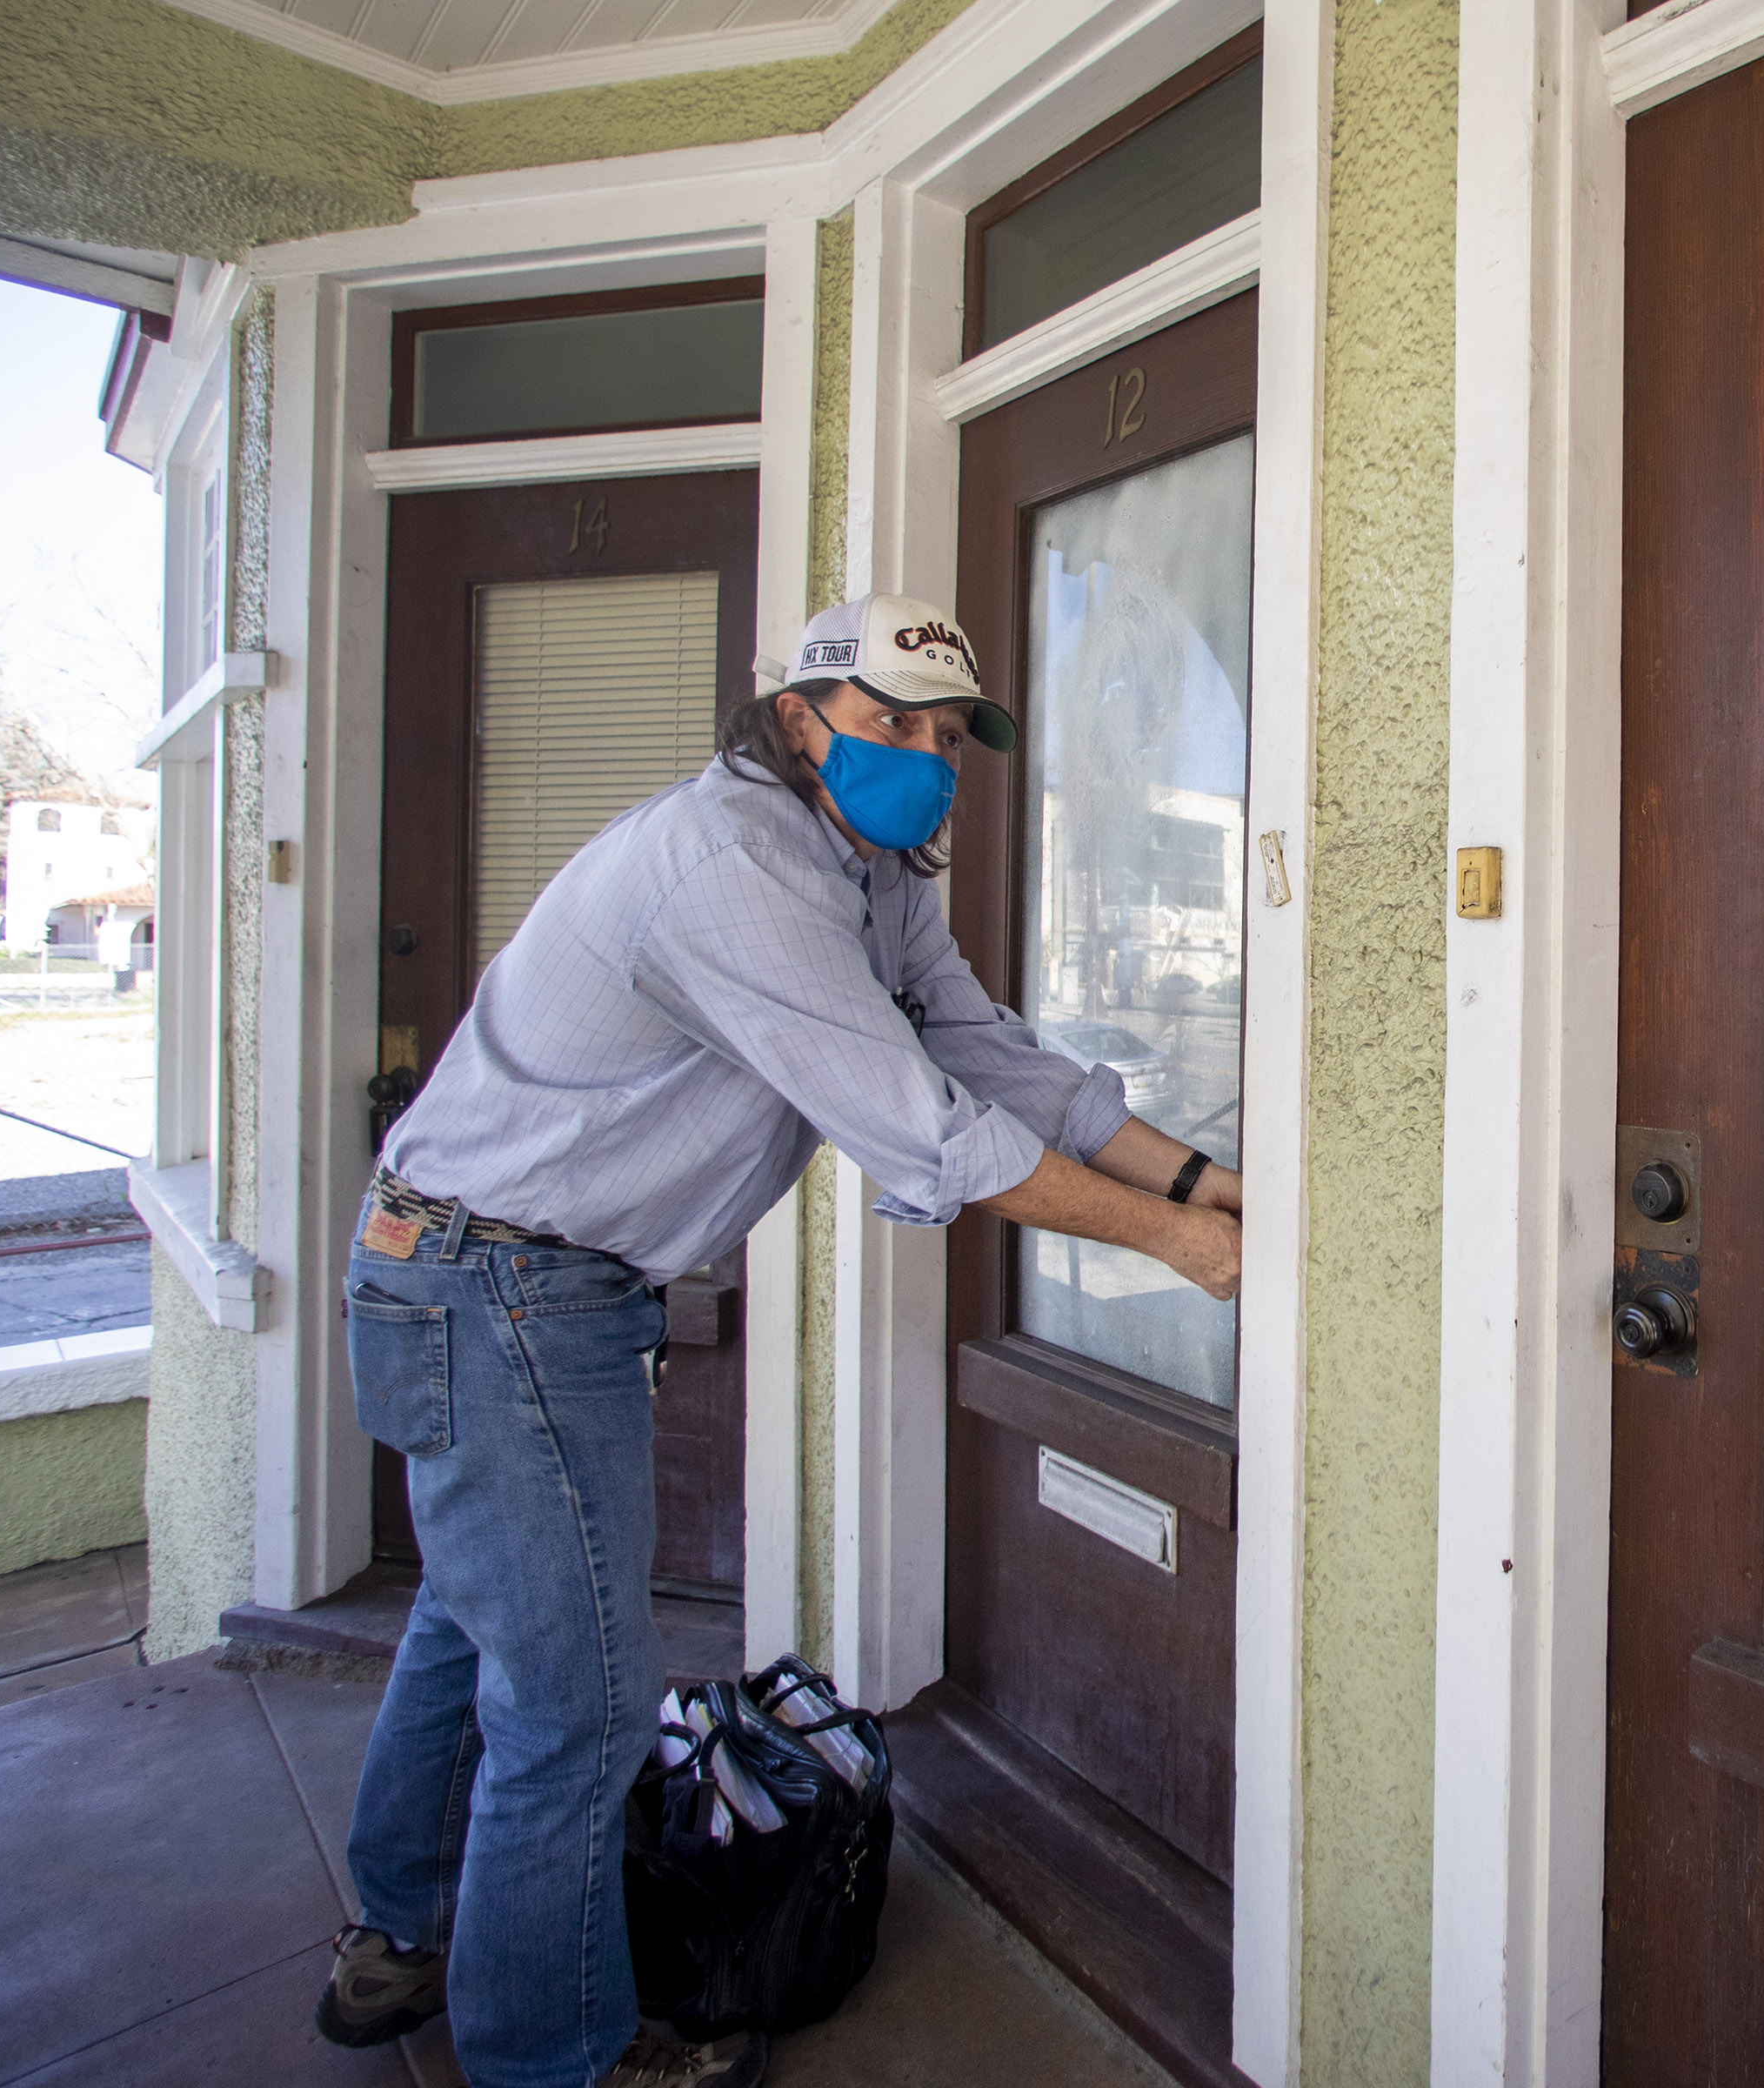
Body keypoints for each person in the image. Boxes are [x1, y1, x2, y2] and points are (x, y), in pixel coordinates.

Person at [311, 592, 1242, 2088]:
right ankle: (549, 2057)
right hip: (495, 1287)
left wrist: (1202, 1178)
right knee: (578, 1707)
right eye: (892, 723)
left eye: (949, 735)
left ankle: (402, 1937)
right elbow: (924, 1127)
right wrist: (1187, 1247)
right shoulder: (726, 870)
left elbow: (982, 1047)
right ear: (798, 719)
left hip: (521, 1283)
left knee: (474, 1620)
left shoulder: (873, 870)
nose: (928, 757)